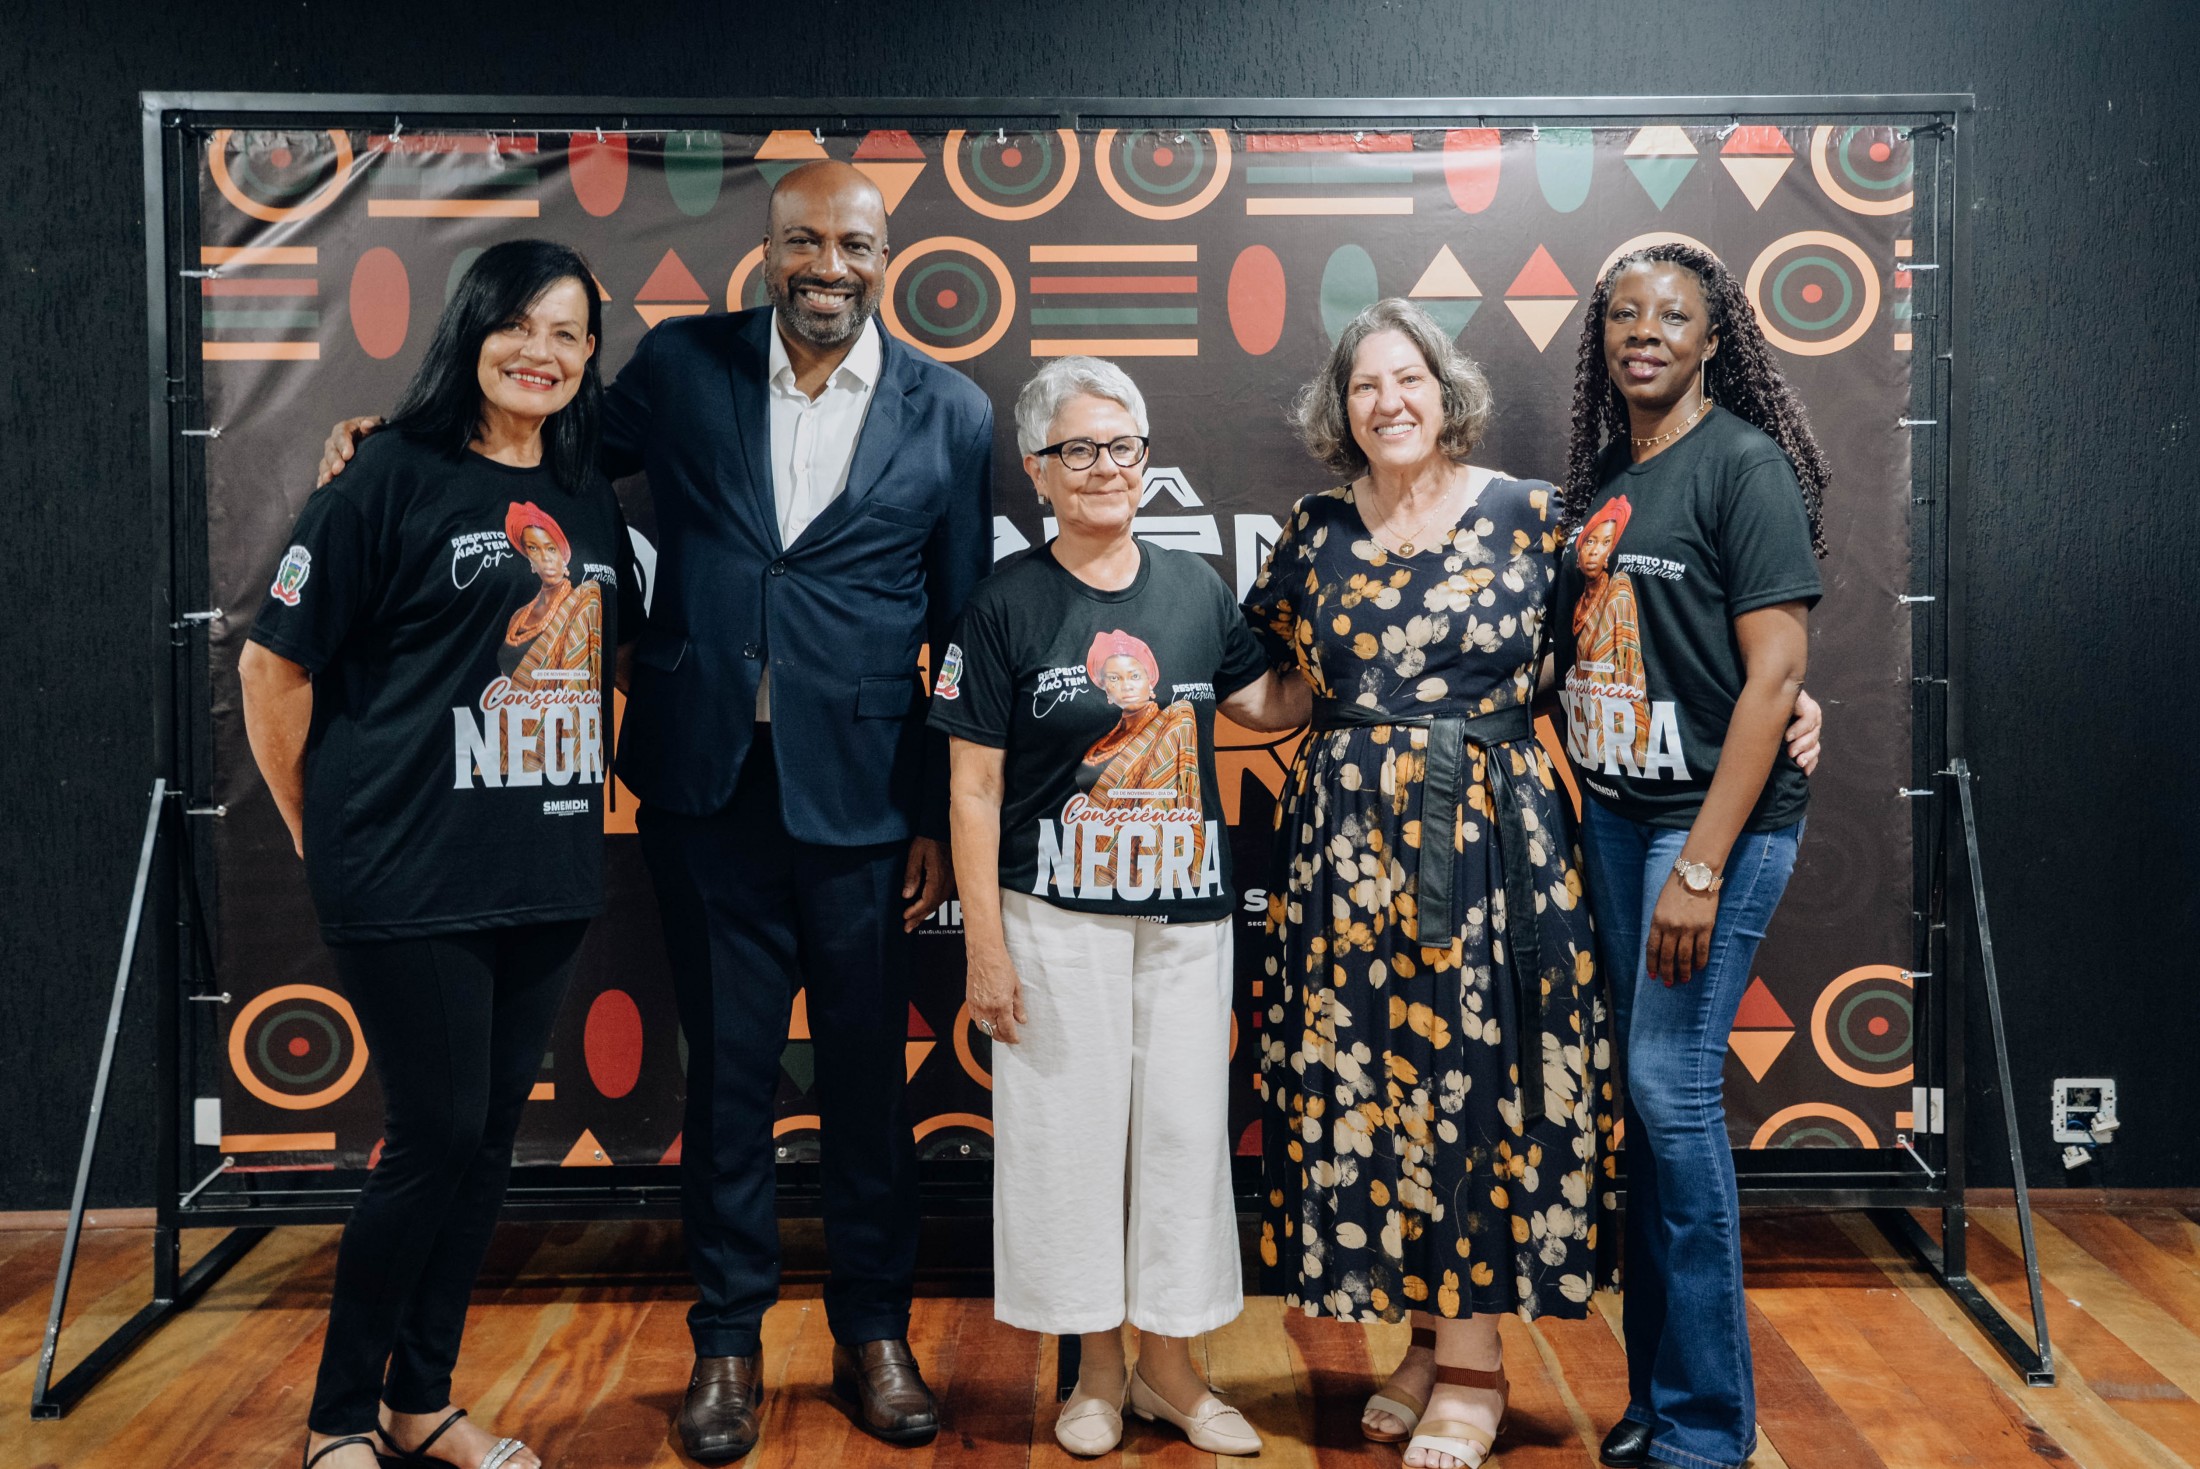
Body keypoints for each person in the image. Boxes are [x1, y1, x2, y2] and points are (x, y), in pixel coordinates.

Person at [316, 161, 995, 1463]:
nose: (828, 265)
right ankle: (726, 1345)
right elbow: (539, 441)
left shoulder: (952, 410)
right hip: (703, 786)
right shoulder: (682, 366)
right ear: (768, 248)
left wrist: (928, 808)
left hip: (865, 799)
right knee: (728, 1079)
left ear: (887, 253)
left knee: (867, 1083)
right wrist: (388, 439)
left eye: (854, 242)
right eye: (803, 239)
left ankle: (876, 1334)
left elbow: (962, 626)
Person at [244, 239, 639, 1469]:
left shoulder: (586, 495)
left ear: (590, 354)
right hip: (409, 872)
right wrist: (321, 830)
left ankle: (422, 1402)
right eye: (518, 324)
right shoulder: (384, 476)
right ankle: (337, 1418)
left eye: (567, 333)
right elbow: (270, 668)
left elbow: (604, 663)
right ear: (472, 330)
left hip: (545, 870)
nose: (540, 352)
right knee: (433, 1136)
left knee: (483, 1145)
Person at [1242, 298, 1613, 1469]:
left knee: (1476, 1086)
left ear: (1445, 391)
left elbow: (1608, 657)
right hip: (1345, 857)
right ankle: (1423, 1341)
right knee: (1380, 1087)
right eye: (1364, 384)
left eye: (1406, 377)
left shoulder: (1530, 517)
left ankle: (1473, 1367)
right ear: (1340, 407)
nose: (1387, 400)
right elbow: (1285, 690)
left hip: (1492, 847)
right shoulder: (1314, 530)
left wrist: (1783, 702)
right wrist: (1160, 682)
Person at [932, 357, 1307, 1458]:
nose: (1105, 467)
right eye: (1079, 450)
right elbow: (971, 788)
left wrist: (1364, 651)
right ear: (1038, 470)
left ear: (1148, 459)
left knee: (1184, 1139)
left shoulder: (1194, 588)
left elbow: (1265, 698)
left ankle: (1172, 1370)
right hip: (1053, 921)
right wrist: (986, 949)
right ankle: (1096, 1370)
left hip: (1187, 923)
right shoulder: (1003, 602)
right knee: (1070, 1143)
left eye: (1123, 446)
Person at [1554, 243, 1829, 1469]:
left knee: (1671, 1091)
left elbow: (1776, 674)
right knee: (1644, 1102)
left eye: (1673, 315)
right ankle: (1658, 1394)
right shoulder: (1611, 478)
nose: (1646, 331)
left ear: (1714, 339)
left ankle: (1709, 1426)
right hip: (1616, 815)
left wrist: (1701, 865)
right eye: (1625, 314)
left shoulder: (1742, 463)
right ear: (1601, 338)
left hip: (1710, 826)